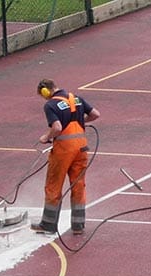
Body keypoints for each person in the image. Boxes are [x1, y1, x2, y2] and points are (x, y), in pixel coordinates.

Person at [32, 78, 101, 235]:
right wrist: (79, 121)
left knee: (53, 185)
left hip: (64, 150)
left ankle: (48, 224)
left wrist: (45, 137)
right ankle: (78, 225)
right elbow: (95, 114)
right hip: (82, 147)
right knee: (78, 185)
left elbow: (57, 127)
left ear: (45, 91)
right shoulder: (75, 98)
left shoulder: (50, 105)